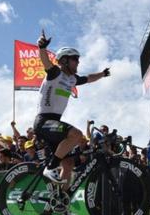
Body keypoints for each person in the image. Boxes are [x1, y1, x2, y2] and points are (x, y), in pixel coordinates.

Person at [34, 30, 110, 184]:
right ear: (64, 61)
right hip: (44, 121)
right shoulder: (56, 72)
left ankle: (61, 201)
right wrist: (41, 47)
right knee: (76, 134)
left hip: (54, 123)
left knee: (68, 164)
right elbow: (46, 62)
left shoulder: (72, 79)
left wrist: (102, 74)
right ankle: (50, 167)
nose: (78, 62)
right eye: (75, 59)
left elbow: (88, 78)